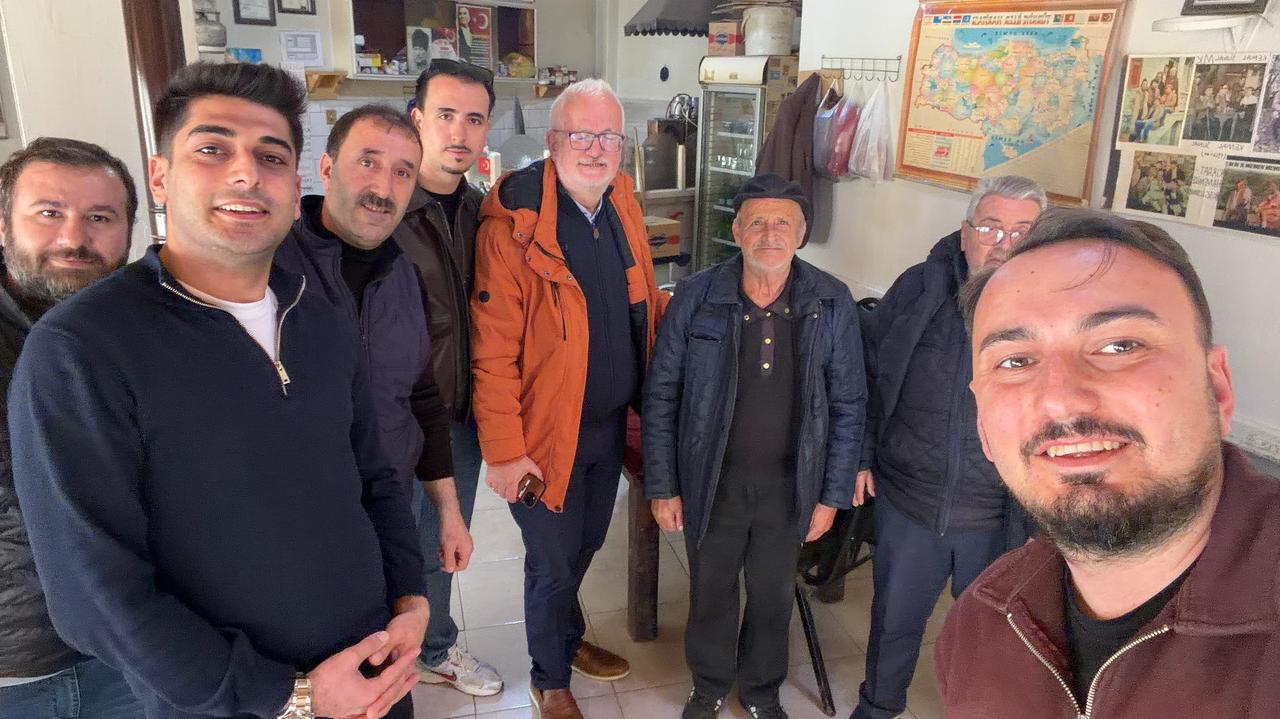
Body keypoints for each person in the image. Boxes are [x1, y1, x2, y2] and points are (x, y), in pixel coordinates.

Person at [9, 62, 427, 719]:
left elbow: (374, 472)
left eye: (270, 155)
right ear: (159, 176)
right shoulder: (82, 349)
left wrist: (411, 596)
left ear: (294, 186)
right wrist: (293, 695)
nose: (245, 173)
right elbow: (98, 598)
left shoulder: (316, 312)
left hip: (373, 679)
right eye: (211, 148)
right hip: (229, 704)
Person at [938, 208, 1280, 716]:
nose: (1062, 400)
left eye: (1118, 346)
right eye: (1015, 361)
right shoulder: (981, 625)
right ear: (984, 428)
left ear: (1218, 388)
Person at [471, 78, 667, 719]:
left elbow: (640, 302)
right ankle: (549, 677)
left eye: (608, 136)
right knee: (552, 563)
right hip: (540, 432)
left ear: (622, 147)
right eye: (580, 135)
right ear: (553, 143)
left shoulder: (619, 206)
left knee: (584, 547)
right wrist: (503, 453)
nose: (595, 148)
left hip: (608, 424)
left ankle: (568, 637)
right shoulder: (518, 224)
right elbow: (492, 351)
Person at [643, 174, 866, 719]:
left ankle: (762, 690)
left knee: (772, 596)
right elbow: (661, 395)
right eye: (758, 222)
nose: (771, 234)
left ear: (802, 232)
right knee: (711, 591)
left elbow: (849, 404)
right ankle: (710, 684)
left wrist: (832, 496)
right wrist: (663, 485)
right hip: (711, 480)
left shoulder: (831, 300)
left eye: (783, 222)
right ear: (737, 230)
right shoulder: (696, 297)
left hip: (791, 485)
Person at [850, 175, 1046, 719]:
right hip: (912, 497)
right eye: (990, 226)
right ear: (966, 233)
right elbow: (870, 374)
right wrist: (861, 455)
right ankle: (877, 708)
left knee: (994, 632)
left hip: (1000, 509)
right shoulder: (920, 287)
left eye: (1020, 230)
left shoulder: (1056, 309)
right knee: (895, 621)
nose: (1003, 241)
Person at [0, 138, 140, 718]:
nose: (73, 239)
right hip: (16, 672)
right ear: (4, 224)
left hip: (134, 652)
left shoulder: (144, 332)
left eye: (99, 218)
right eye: (49, 213)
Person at [392, 58, 503, 696]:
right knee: (390, 535)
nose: (458, 131)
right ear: (417, 120)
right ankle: (386, 648)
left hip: (459, 413)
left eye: (473, 118)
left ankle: (434, 647)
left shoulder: (482, 213)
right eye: (444, 115)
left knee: (442, 537)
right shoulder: (385, 213)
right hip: (392, 416)